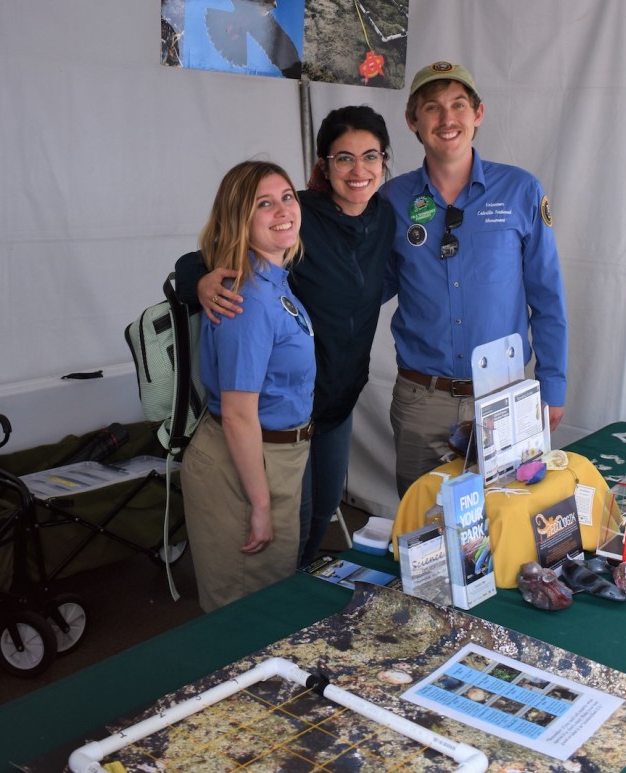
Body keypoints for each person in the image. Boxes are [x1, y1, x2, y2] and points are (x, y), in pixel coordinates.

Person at [184, 106, 395, 567]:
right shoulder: (294, 214)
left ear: (384, 161)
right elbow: (207, 255)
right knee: (280, 529)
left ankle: (295, 590)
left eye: (370, 156)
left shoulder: (385, 218)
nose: (358, 170)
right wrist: (200, 283)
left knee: (318, 514)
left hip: (335, 403)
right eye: (343, 158)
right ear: (323, 166)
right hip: (278, 415)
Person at [381, 61, 568, 497]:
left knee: (506, 527)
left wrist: (552, 385)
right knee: (424, 536)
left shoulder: (521, 190)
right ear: (412, 120)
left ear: (478, 114)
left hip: (503, 397)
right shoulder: (392, 200)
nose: (447, 119)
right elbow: (364, 287)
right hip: (421, 401)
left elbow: (548, 298)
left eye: (458, 105)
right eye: (432, 108)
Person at [179, 160, 315, 612]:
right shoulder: (249, 297)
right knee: (244, 616)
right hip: (245, 467)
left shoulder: (274, 279)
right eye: (264, 203)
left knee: (268, 604)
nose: (282, 210)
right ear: (240, 218)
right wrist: (260, 503)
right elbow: (238, 413)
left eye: (287, 197)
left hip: (274, 459)